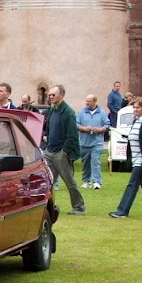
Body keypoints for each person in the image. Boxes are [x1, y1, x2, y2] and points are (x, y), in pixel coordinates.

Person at [42, 84, 84, 215]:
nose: (51, 97)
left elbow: (72, 135)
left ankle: (79, 207)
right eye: (50, 95)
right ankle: (45, 207)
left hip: (60, 152)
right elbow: (49, 128)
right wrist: (47, 140)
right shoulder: (52, 110)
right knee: (48, 181)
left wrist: (64, 151)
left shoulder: (68, 112)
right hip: (50, 151)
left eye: (53, 95)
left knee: (69, 181)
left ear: (62, 95)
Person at [76, 94, 110, 190]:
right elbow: (76, 124)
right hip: (84, 142)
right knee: (86, 163)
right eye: (86, 101)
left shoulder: (102, 113)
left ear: (94, 102)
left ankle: (96, 181)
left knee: (95, 161)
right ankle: (86, 181)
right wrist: (84, 128)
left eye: (89, 101)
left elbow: (107, 125)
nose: (87, 103)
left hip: (97, 142)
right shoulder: (81, 112)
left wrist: (99, 130)